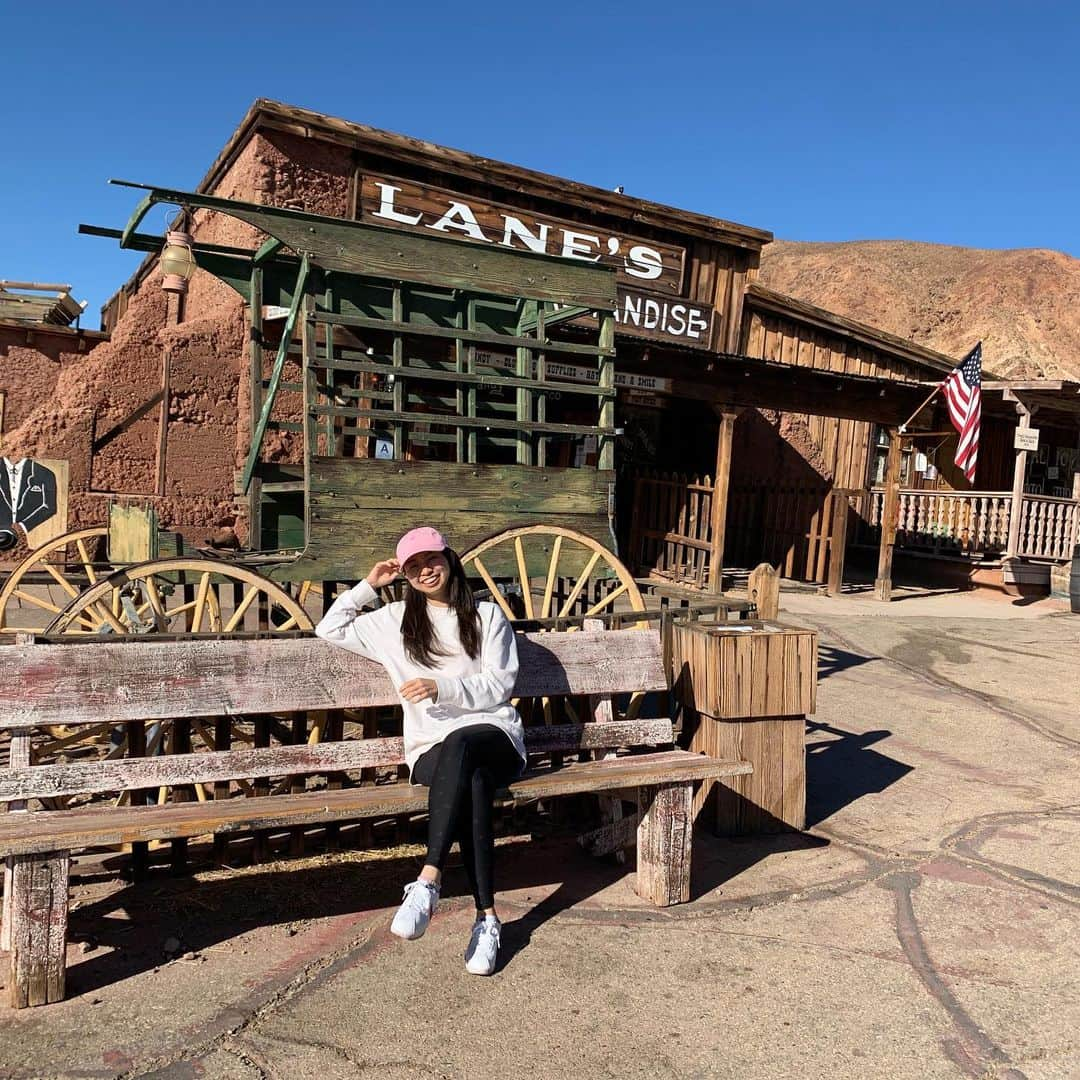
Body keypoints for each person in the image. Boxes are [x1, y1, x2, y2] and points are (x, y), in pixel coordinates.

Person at [314, 526, 525, 975]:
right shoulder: (392, 623)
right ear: (404, 575)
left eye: (431, 560)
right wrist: (369, 586)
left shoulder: (486, 616)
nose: (424, 571)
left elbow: (501, 685)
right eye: (412, 566)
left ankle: (428, 878)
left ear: (449, 560)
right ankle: (487, 920)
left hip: (494, 736)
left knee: (465, 743)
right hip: (432, 751)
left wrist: (440, 686)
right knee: (471, 780)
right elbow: (328, 627)